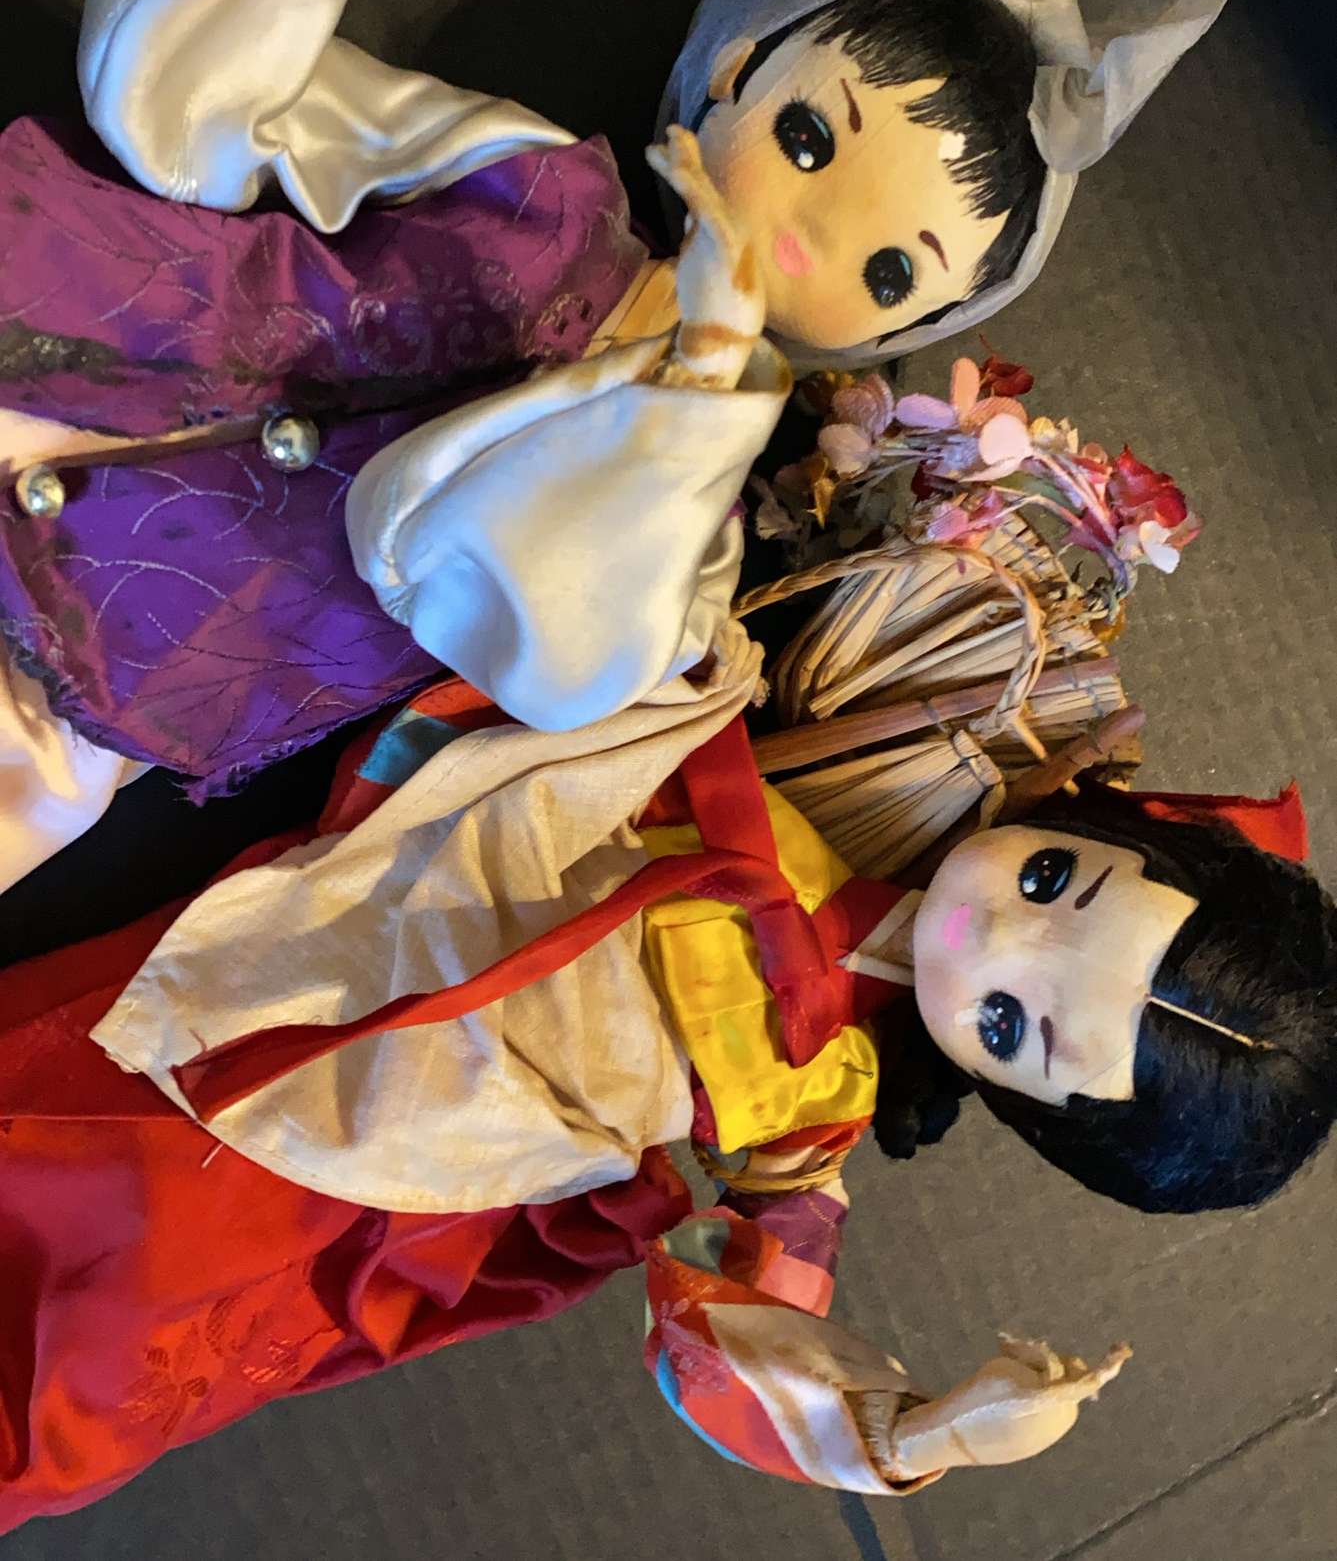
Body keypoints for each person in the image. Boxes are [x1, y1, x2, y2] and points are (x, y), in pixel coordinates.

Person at [0, 0, 1249, 882]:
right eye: (806, 137)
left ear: (899, 328)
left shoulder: (696, 508)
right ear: (730, 67)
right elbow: (253, 101)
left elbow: (553, 649)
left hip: (137, 653)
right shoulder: (538, 179)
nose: (809, 234)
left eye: (887, 274)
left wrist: (695, 395)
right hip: (73, 341)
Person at [2, 647, 1332, 1529]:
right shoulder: (770, 768)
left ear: (1027, 1106)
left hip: (420, 1152)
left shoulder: (819, 1104)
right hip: (378, 934)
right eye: (1050, 882)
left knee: (102, 1331)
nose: (983, 936)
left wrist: (917, 1431)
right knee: (75, 1075)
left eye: (1007, 1021)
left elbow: (740, 1326)